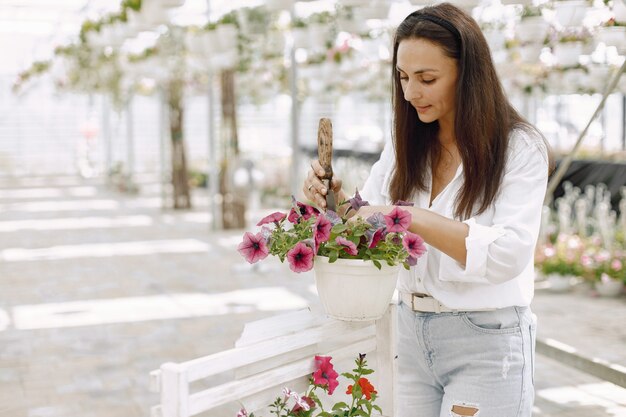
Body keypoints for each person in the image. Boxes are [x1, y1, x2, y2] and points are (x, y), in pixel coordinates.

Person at [302, 3, 553, 417]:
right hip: (409, 335)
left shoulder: (519, 148)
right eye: (402, 77)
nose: (410, 92)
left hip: (485, 340)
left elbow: (509, 254)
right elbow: (365, 223)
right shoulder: (406, 145)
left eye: (427, 78)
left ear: (468, 74)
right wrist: (333, 200)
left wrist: (410, 217)